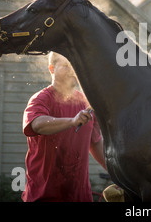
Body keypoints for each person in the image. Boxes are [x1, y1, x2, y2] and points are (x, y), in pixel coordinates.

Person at [21, 52, 106, 202]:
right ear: (51, 69)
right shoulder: (41, 99)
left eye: (74, 65)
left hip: (81, 196)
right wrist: (72, 121)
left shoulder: (87, 103)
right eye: (66, 65)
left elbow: (96, 143)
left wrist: (120, 178)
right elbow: (38, 124)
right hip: (44, 196)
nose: (72, 70)